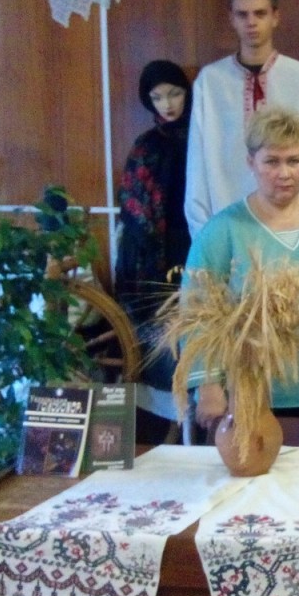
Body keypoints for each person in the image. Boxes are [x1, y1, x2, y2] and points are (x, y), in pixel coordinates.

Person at [184, 106, 299, 430]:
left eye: (294, 161)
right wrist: (207, 384)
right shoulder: (222, 230)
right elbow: (196, 313)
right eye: (272, 161)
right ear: (250, 162)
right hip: (255, 395)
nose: (284, 173)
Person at [184, 0, 299, 237]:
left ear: (275, 17)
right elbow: (197, 162)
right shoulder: (210, 81)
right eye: (242, 14)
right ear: (231, 19)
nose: (251, 22)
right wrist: (203, 233)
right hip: (226, 222)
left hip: (292, 225)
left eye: (260, 14)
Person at [115, 59, 193, 443]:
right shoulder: (145, 147)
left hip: (199, 245)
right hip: (157, 257)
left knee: (200, 335)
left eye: (174, 93)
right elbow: (133, 213)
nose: (168, 104)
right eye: (158, 97)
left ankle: (200, 419)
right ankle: (172, 422)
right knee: (163, 340)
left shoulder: (203, 137)